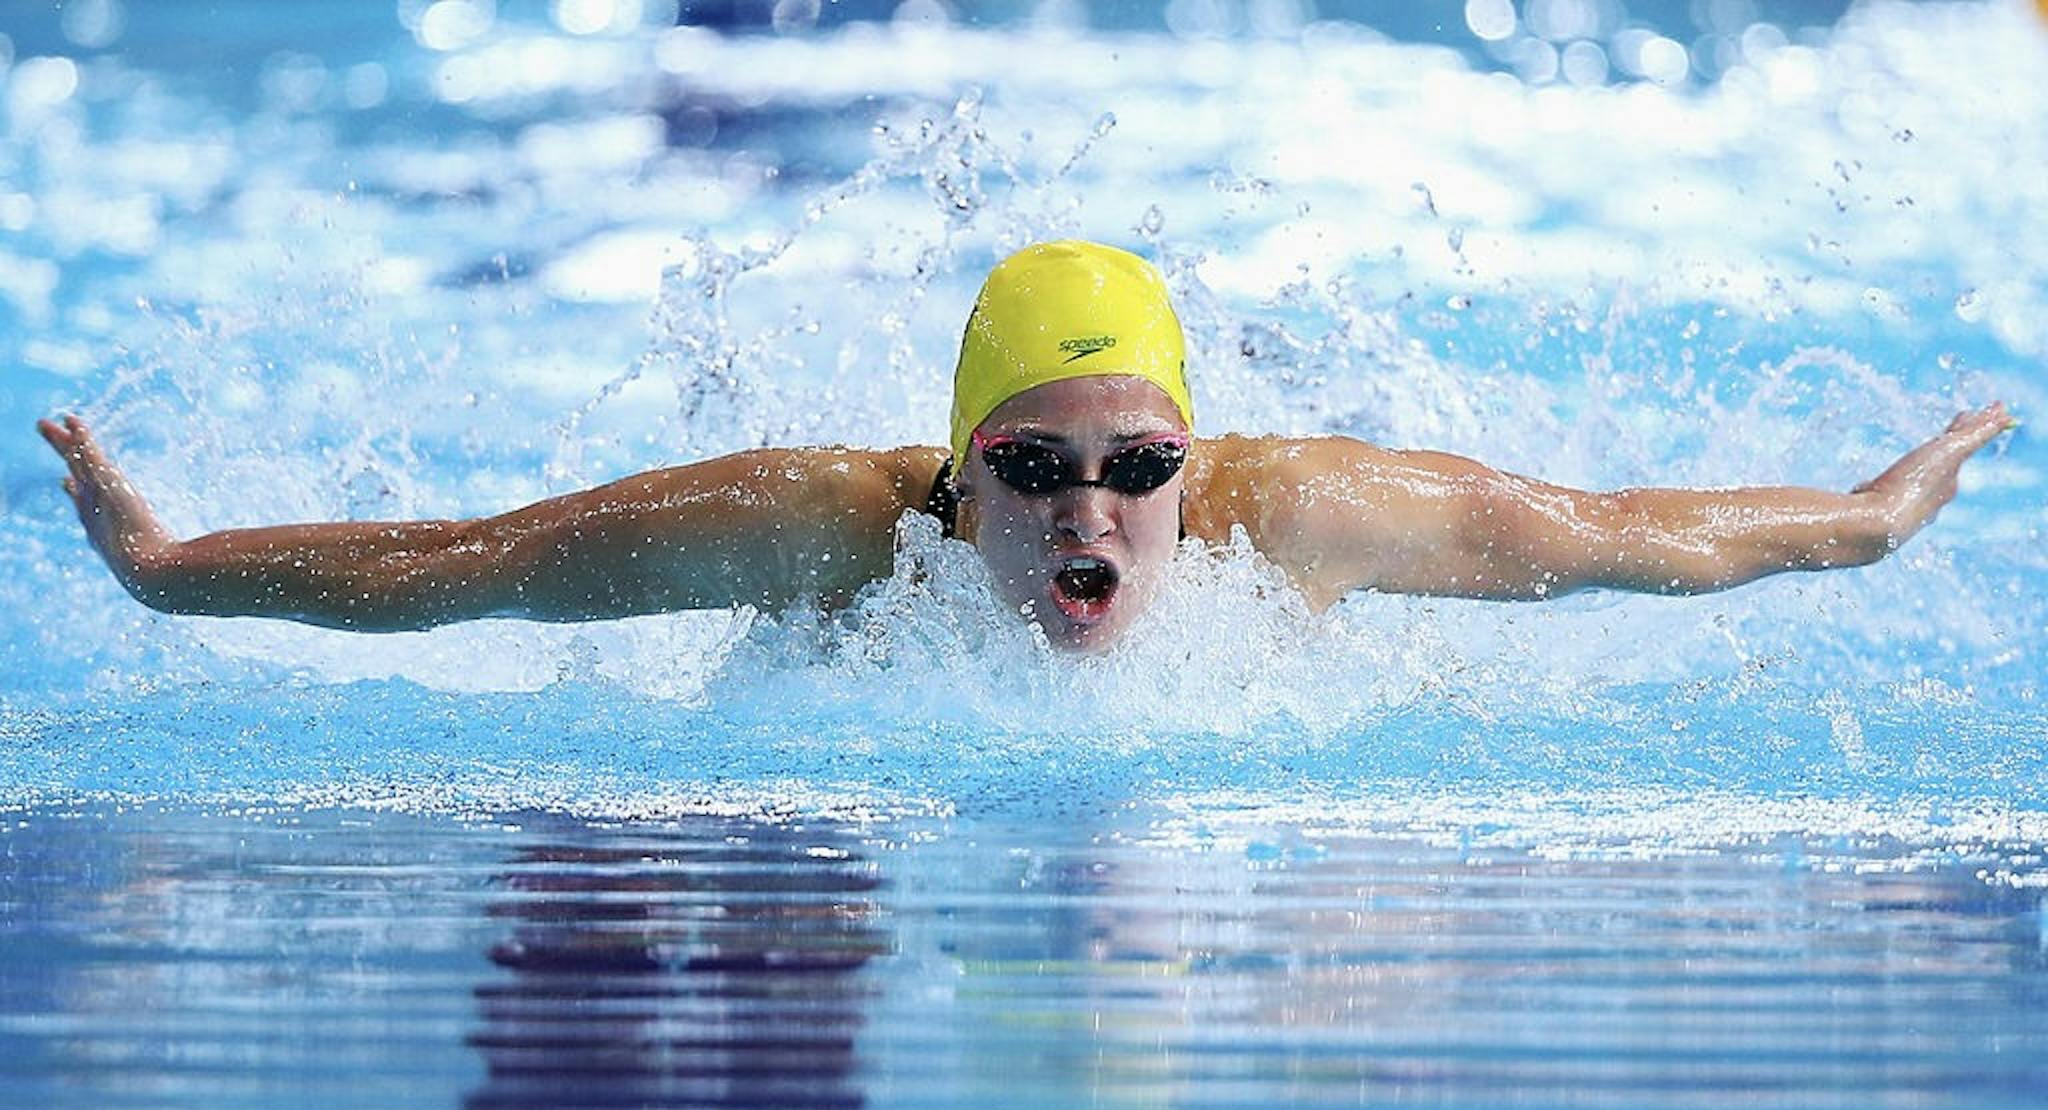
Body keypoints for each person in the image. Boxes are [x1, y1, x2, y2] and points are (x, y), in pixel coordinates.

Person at [39, 240, 2016, 653]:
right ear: (956, 471)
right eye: (1039, 467)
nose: (1093, 511)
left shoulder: (1306, 516)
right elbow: (467, 564)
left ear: (1194, 460)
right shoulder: (824, 529)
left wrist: (1871, 512)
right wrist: (166, 567)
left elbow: (1631, 537)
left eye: (1141, 469)